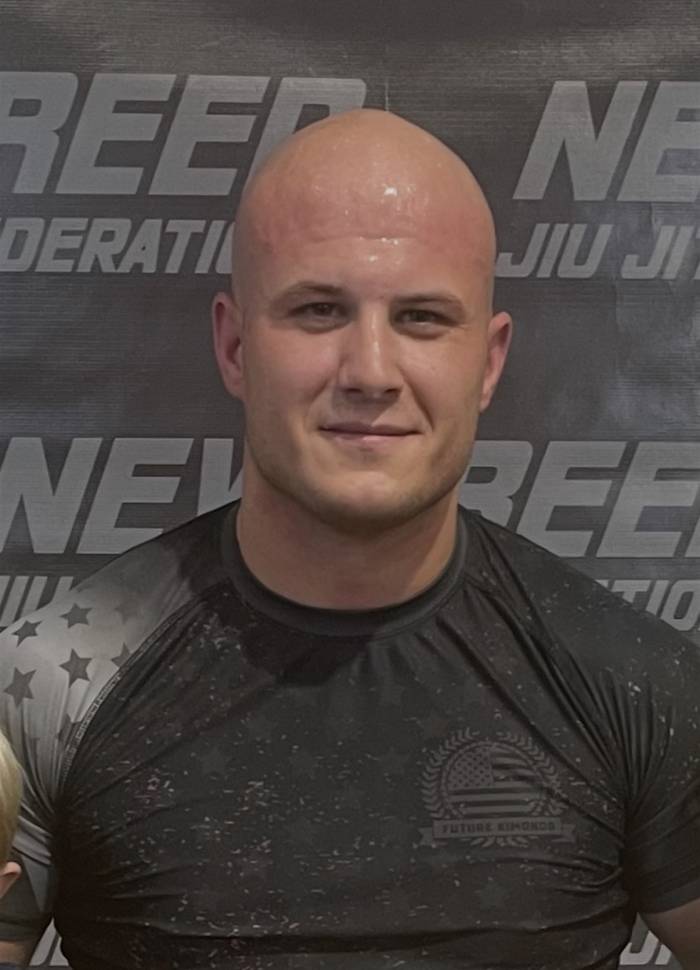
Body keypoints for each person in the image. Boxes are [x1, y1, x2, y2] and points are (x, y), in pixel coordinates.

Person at [0, 108, 699, 970]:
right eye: (320, 310)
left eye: (422, 318)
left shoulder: (639, 686)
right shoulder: (45, 687)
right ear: (235, 345)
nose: (370, 371)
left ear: (487, 362)